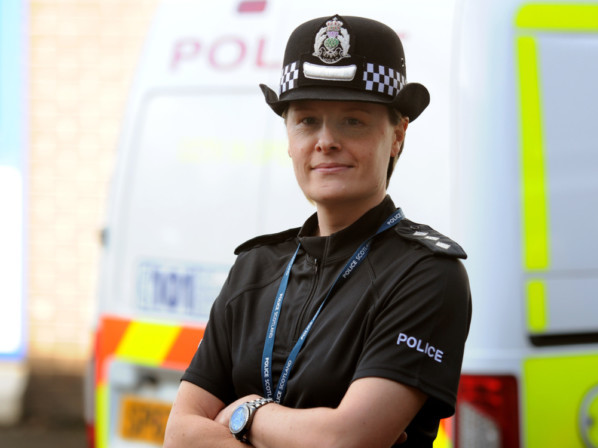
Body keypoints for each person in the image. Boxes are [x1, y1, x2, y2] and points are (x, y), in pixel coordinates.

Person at [164, 14, 471, 448]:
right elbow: (179, 434)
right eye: (307, 121)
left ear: (398, 135)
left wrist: (245, 412)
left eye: (353, 121)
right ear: (289, 138)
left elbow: (346, 440)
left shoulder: (425, 275)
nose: (325, 140)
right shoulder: (254, 269)